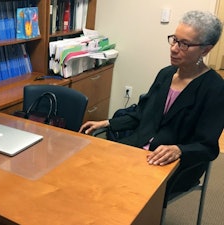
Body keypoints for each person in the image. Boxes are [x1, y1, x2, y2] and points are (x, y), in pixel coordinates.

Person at [80, 10, 223, 196]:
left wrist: (179, 150)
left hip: (174, 163)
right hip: (138, 149)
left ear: (206, 49)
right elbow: (142, 113)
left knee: (123, 190)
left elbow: (207, 146)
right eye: (174, 40)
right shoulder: (166, 74)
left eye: (184, 44)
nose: (174, 48)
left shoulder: (215, 88)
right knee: (91, 170)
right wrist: (107, 123)